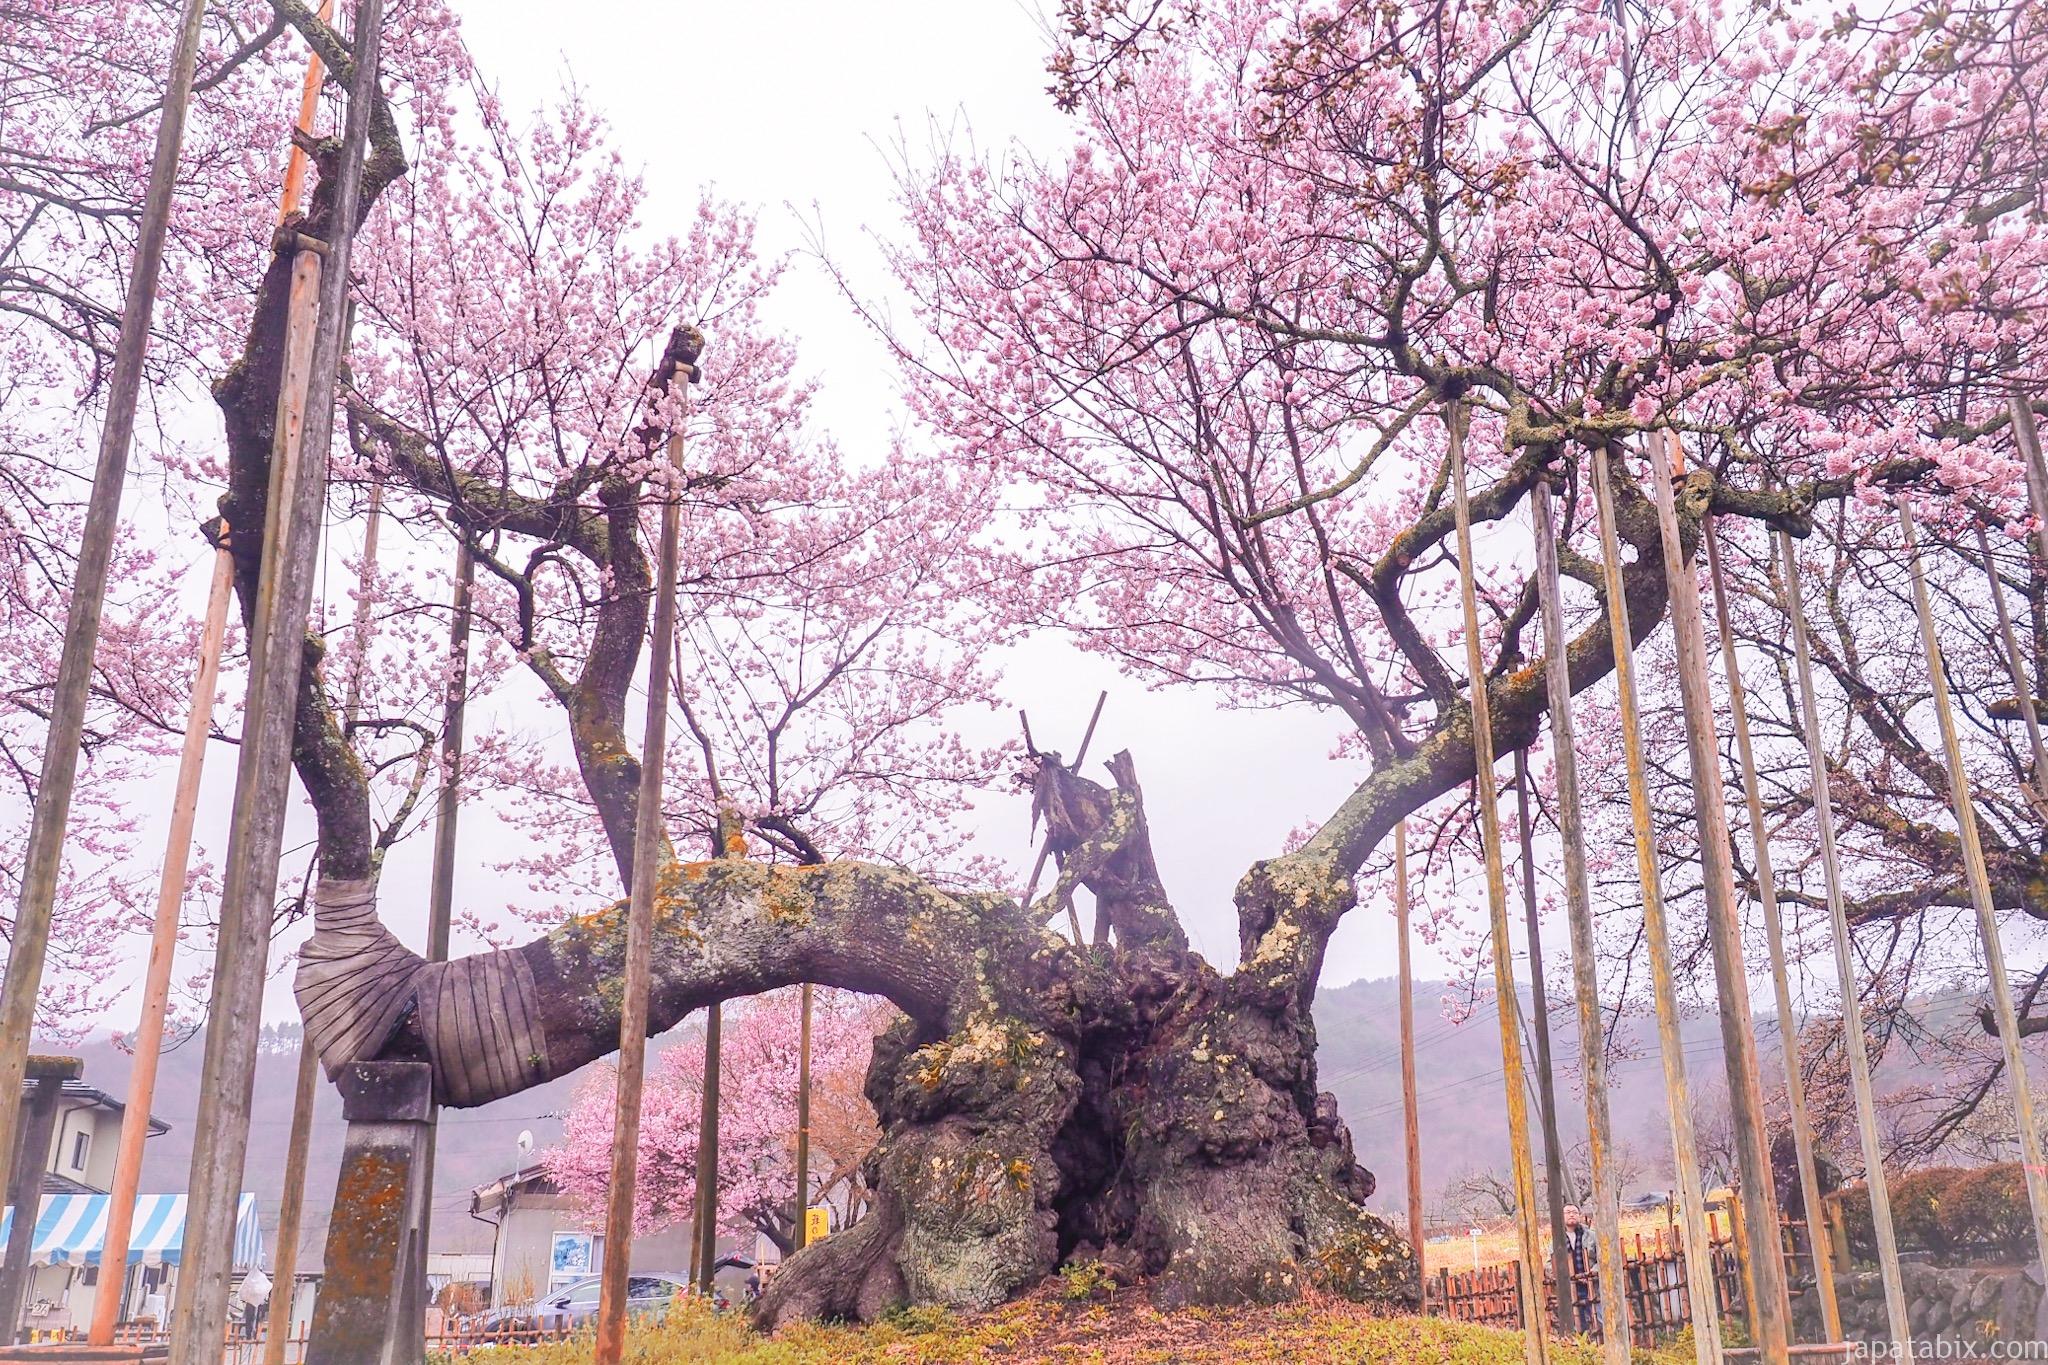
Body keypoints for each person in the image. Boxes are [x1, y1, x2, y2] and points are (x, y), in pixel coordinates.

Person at [1560, 1204, 1601, 1334]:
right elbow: (1551, 1263)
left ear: (1580, 1215)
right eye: (1567, 1212)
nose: (1571, 1215)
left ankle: (1603, 1343)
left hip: (1592, 1284)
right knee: (1577, 1320)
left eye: (1574, 1212)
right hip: (1571, 1286)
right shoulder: (1558, 1239)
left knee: (1598, 1315)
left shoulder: (1591, 1236)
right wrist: (1564, 1277)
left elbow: (1602, 1258)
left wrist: (1592, 1273)